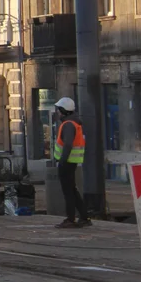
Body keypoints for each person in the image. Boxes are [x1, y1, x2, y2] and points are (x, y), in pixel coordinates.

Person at [53, 96, 90, 228]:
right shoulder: (74, 123)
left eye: (58, 109)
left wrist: (62, 160)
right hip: (71, 161)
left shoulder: (68, 125)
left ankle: (70, 219)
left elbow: (68, 144)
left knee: (68, 191)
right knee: (72, 190)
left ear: (63, 110)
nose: (57, 112)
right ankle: (84, 217)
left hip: (67, 162)